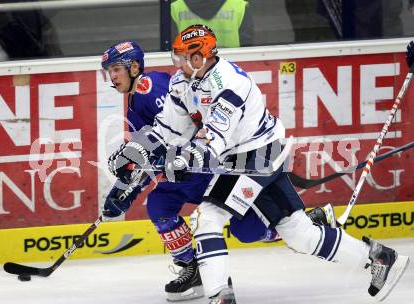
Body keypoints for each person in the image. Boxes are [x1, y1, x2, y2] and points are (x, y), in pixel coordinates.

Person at [109, 25, 410, 304]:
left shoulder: (230, 84)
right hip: (250, 158)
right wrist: (134, 151)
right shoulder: (183, 82)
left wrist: (181, 160)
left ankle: (219, 298)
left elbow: (213, 143)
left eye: (183, 57)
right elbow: (167, 129)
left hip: (254, 159)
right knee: (299, 233)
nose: (177, 62)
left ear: (201, 57)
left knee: (207, 220)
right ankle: (378, 258)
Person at [101, 39, 334, 302]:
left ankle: (307, 224)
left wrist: (136, 182)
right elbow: (146, 153)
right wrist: (125, 190)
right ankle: (196, 268)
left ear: (133, 67)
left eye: (116, 69)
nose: (112, 76)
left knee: (247, 230)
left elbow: (180, 130)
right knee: (160, 204)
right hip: (186, 170)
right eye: (109, 71)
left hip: (204, 165)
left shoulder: (149, 89)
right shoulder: (135, 101)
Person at [171, 0, 254, 48]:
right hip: (230, 69)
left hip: (191, 69)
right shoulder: (239, 6)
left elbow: (171, 48)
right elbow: (247, 45)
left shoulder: (176, 8)